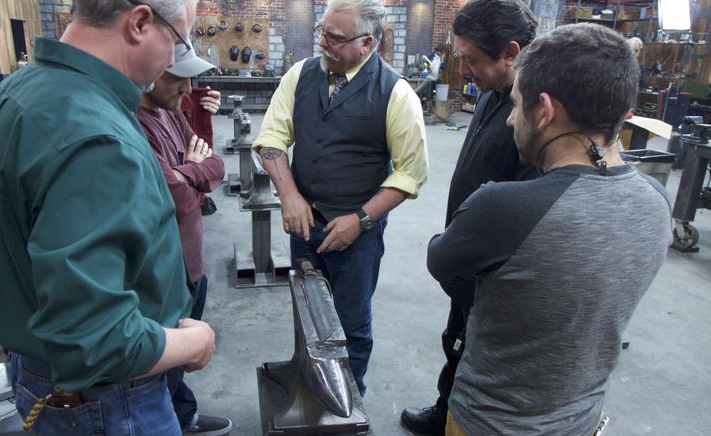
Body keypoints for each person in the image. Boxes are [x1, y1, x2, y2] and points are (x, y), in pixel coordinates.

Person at [0, 1, 217, 434]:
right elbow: (96, 341)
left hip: (47, 374)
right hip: (108, 399)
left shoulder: (25, 87)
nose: (176, 61)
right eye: (179, 41)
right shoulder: (96, 136)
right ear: (139, 23)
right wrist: (193, 342)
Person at [430, 23, 672, 434]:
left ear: (544, 110)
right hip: (580, 421)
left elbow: (442, 261)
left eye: (516, 104)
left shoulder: (503, 208)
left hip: (489, 423)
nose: (509, 121)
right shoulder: (656, 201)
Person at [253, 0, 428, 396]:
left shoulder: (396, 94)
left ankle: (348, 403)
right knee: (308, 314)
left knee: (352, 325)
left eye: (334, 38)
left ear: (366, 44)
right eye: (322, 32)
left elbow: (410, 172)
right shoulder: (300, 76)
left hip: (358, 235)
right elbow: (271, 140)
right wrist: (290, 196)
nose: (322, 43)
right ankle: (310, 387)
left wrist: (361, 220)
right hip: (306, 224)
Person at [401, 0, 539, 433]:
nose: (463, 69)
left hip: (494, 272)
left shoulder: (531, 112)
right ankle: (446, 412)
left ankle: (458, 419)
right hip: (468, 255)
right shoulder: (492, 93)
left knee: (475, 351)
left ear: (511, 52)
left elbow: (528, 208)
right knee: (456, 341)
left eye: (472, 59)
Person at [137, 40, 231, 435]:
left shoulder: (169, 109)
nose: (188, 87)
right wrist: (192, 175)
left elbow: (214, 164)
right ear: (149, 70)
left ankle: (183, 415)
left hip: (193, 264)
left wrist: (189, 170)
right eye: (179, 75)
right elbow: (176, 200)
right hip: (165, 274)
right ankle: (174, 420)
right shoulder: (135, 122)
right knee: (164, 363)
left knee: (178, 361)